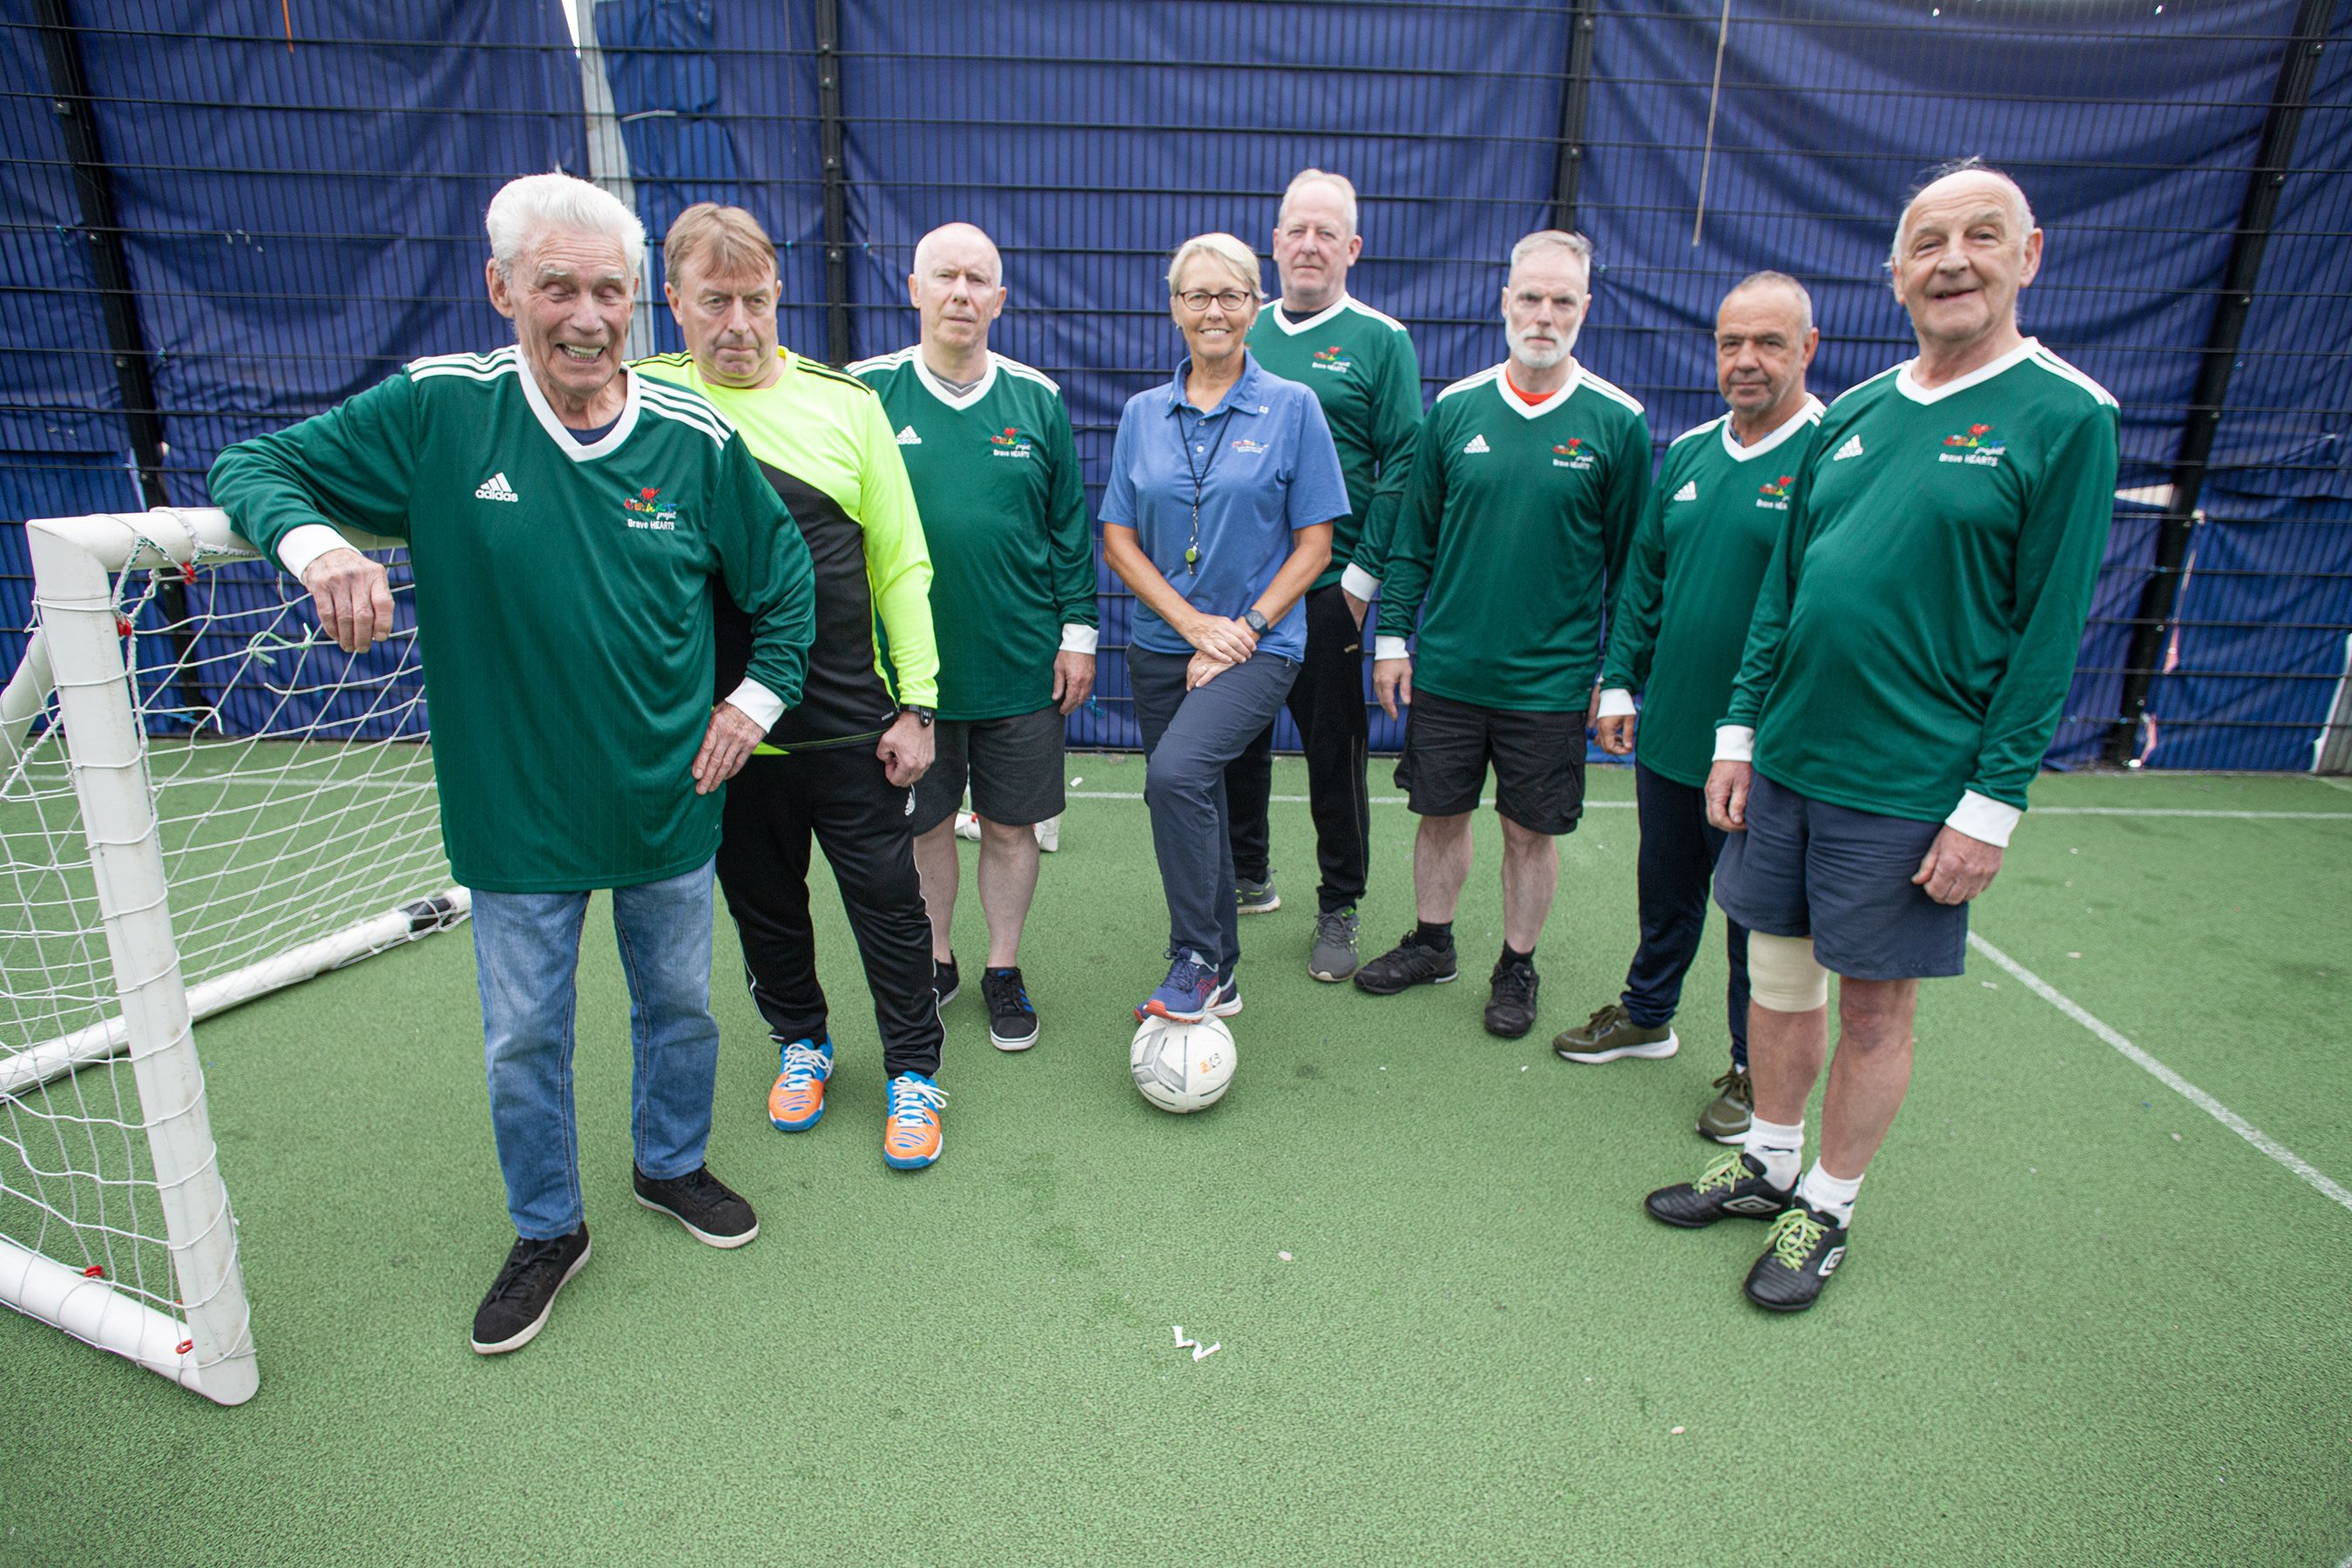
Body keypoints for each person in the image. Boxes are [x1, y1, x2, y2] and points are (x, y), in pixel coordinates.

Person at [207, 172, 816, 1355]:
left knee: (681, 1009)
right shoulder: (442, 412)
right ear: (502, 291)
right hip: (515, 816)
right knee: (525, 1038)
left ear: (636, 300)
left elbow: (783, 586)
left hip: (667, 804)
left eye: (607, 291)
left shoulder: (694, 439)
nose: (586, 316)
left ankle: (670, 1164)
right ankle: (548, 1227)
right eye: (557, 288)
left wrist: (749, 699)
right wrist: (322, 545)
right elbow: (251, 467)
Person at [1646, 161, 2119, 1312]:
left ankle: (1828, 1206)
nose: (1954, 260)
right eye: (1929, 241)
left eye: (1982, 235)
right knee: (1773, 972)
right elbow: (1785, 593)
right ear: (1896, 270)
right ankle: (1765, 1161)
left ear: (2031, 255)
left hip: (1911, 784)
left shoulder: (2066, 417)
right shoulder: (1851, 416)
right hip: (1789, 764)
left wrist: (1990, 806)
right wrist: (1740, 731)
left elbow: (2048, 640)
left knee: (1874, 1005)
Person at [635, 204, 951, 1171]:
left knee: (888, 904)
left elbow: (901, 565)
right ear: (674, 304)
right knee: (764, 905)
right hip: (719, 734)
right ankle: (802, 1044)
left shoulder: (844, 404)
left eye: (756, 300)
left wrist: (919, 704)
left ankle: (913, 1072)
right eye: (714, 302)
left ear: (780, 296)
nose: (738, 323)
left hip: (849, 725)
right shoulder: (640, 401)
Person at [1357, 231, 1651, 1039]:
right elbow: (1413, 540)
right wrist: (1391, 638)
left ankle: (1517, 963)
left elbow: (1632, 569)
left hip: (1550, 683)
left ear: (1585, 309)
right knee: (1439, 815)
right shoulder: (1455, 409)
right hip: (1448, 669)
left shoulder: (1617, 423)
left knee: (1530, 831)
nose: (1544, 314)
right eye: (1531, 297)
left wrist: (1618, 674)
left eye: (1562, 300)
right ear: (1504, 301)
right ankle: (1432, 942)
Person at [1560, 273, 1825, 1145]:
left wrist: (1753, 731)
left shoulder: (1829, 457)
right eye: (1730, 344)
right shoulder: (1697, 451)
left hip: (1765, 748)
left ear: (1807, 350)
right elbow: (1644, 577)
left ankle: (1758, 1066)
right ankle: (1647, 1014)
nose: (1745, 361)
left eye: (1768, 344)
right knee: (1666, 887)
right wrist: (1621, 678)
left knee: (1756, 916)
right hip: (1671, 728)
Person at [849, 222, 1096, 1051]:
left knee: (1010, 826)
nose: (961, 293)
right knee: (922, 827)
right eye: (944, 277)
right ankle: (936, 957)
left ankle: (1002, 966)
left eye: (977, 280)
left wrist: (1079, 633)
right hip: (907, 677)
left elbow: (1069, 527)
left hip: (1020, 662)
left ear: (1000, 297)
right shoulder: (865, 393)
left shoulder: (1037, 398)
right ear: (914, 290)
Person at [1100, 233, 1347, 1023]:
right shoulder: (1142, 414)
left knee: (1174, 776)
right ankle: (1220, 966)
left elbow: (1316, 545)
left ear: (1255, 307)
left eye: (1231, 295)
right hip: (1163, 644)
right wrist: (1192, 624)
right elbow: (1118, 539)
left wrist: (1241, 628)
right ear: (1175, 308)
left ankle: (1196, 955)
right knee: (1190, 789)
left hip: (1260, 645)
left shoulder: (1293, 407)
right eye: (1197, 295)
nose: (1214, 310)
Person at [1223, 169, 1423, 982]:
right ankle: (1246, 874)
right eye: (1296, 230)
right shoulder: (1240, 329)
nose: (1309, 245)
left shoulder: (1382, 341)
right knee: (1233, 742)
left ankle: (1339, 903)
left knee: (1333, 753)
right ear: (1274, 243)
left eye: (1327, 233)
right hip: (1239, 598)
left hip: (1329, 593)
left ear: (1353, 248)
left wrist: (1360, 582)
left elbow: (1406, 464)